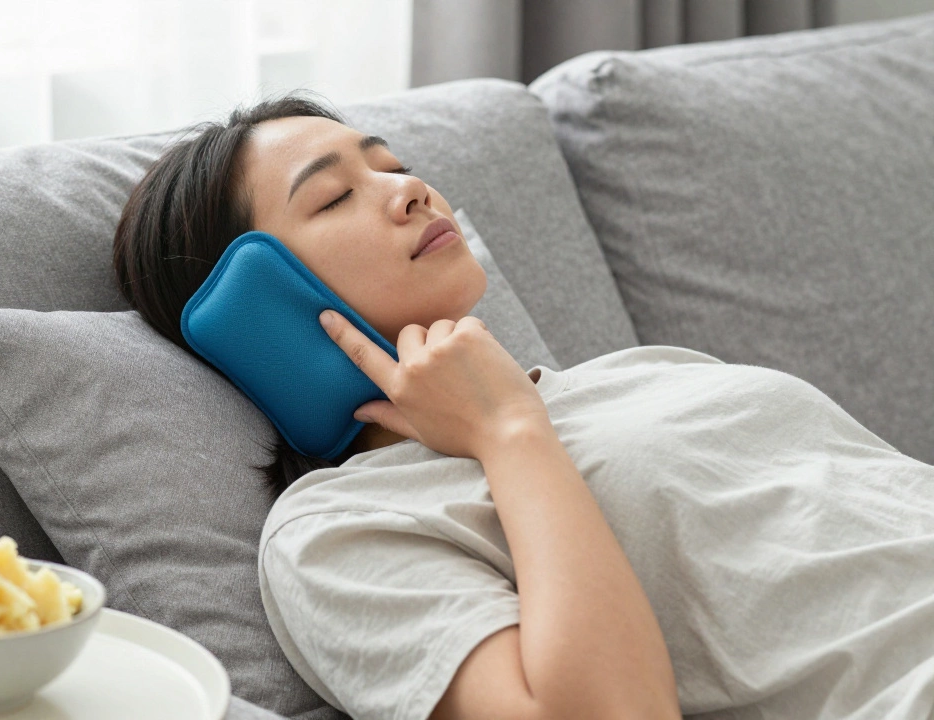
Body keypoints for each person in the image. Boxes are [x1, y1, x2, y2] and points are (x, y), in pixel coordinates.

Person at [111, 91, 934, 720]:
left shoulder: (639, 374)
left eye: (389, 164)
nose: (408, 189)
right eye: (332, 198)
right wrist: (508, 435)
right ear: (254, 312)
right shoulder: (339, 529)